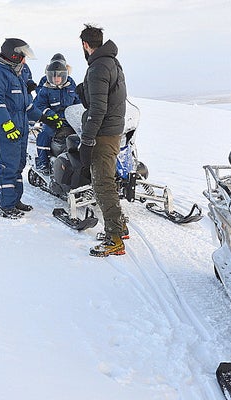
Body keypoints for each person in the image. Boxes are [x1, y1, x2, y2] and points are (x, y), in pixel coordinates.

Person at [78, 24, 128, 257]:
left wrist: (87, 139)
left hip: (103, 133)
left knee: (102, 183)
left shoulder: (98, 67)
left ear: (86, 45)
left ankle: (115, 238)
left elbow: (98, 109)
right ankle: (120, 227)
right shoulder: (111, 61)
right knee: (106, 181)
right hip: (112, 130)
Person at [0, 38, 42, 219]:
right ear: (14, 55)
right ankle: (6, 206)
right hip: (3, 129)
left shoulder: (19, 71)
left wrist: (45, 117)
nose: (25, 61)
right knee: (7, 166)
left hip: (20, 127)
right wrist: (7, 125)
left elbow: (26, 105)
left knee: (18, 166)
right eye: (23, 56)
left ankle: (15, 200)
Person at [32, 54, 80, 175]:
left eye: (59, 76)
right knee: (45, 135)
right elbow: (39, 104)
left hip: (70, 120)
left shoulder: (71, 85)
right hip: (53, 120)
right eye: (53, 76)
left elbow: (78, 102)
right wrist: (50, 115)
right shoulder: (46, 87)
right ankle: (43, 162)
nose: (56, 78)